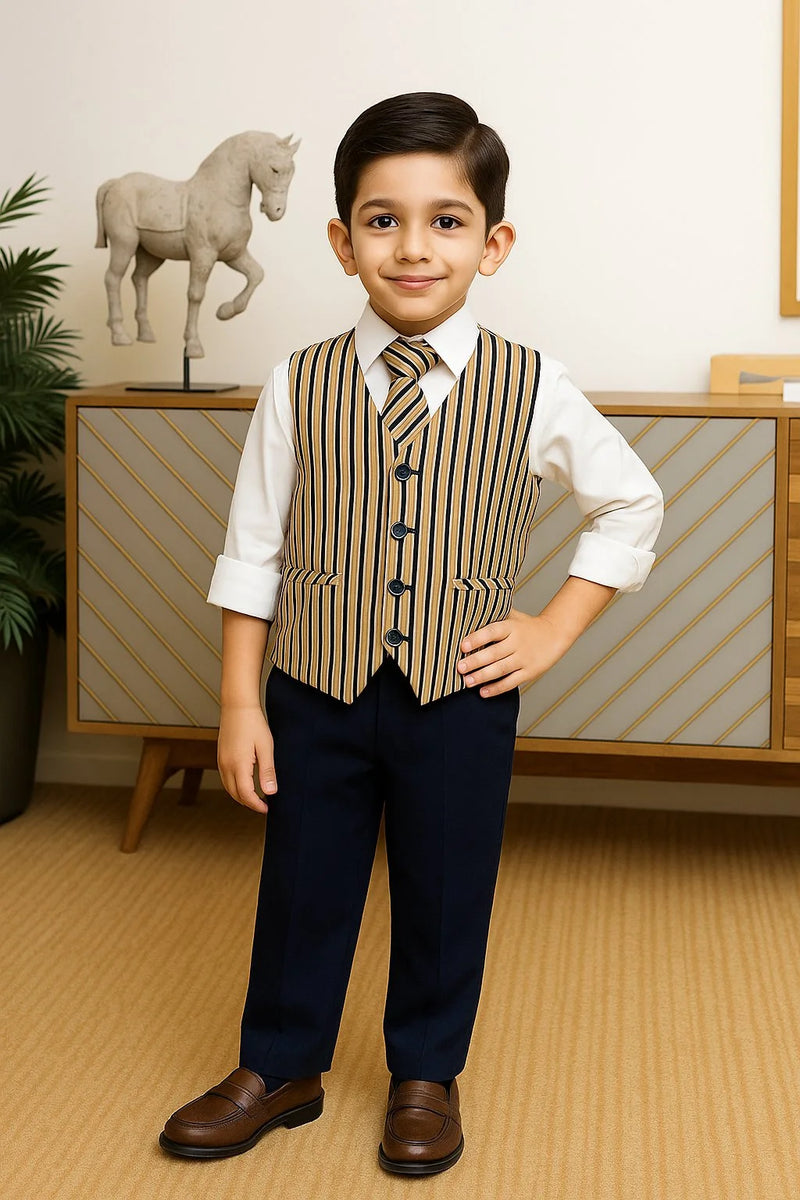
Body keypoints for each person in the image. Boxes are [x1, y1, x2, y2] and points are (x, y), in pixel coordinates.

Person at [158, 91, 663, 1176]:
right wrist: (240, 702)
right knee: (303, 883)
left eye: (446, 220)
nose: (413, 246)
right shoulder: (298, 383)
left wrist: (552, 629)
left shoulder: (534, 385)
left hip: (458, 696)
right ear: (342, 243)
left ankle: (426, 1074)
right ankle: (279, 1065)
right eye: (382, 220)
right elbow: (252, 549)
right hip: (313, 687)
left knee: (445, 886)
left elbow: (632, 503)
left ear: (493, 244)